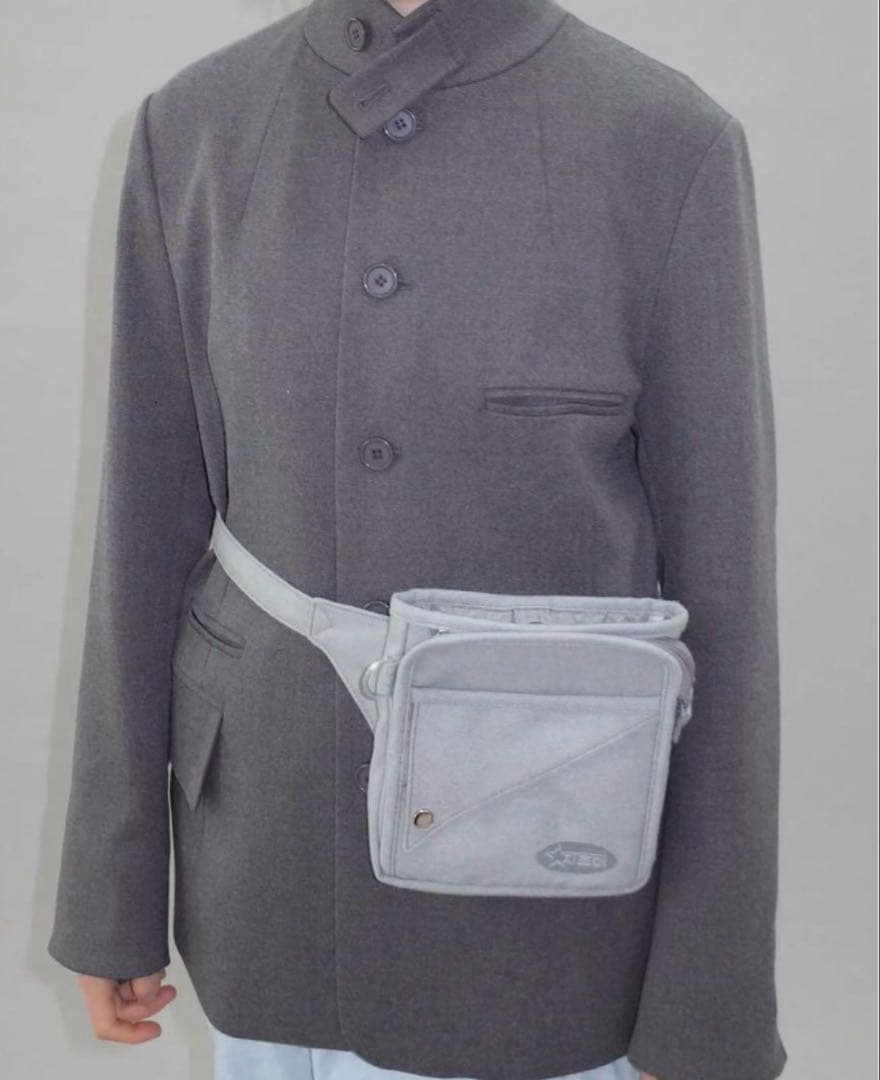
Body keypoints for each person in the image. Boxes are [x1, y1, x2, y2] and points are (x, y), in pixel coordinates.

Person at [48, 1, 786, 1078]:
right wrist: (108, 893)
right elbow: (143, 529)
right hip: (268, 877)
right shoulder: (196, 127)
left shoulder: (664, 140)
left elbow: (728, 594)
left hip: (542, 919)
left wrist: (711, 1003)